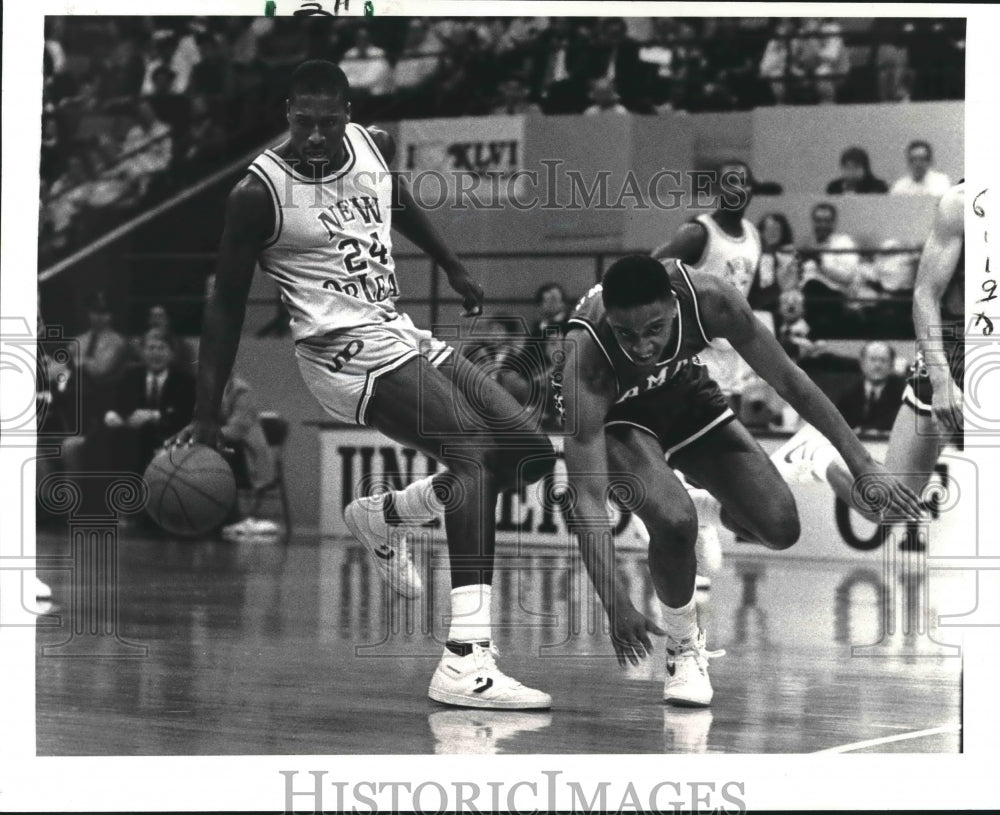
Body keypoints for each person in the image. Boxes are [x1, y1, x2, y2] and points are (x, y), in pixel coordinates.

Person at [169, 61, 556, 710]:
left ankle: (386, 516)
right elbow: (224, 306)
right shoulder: (258, 193)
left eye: (328, 123)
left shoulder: (369, 146)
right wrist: (205, 413)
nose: (316, 136)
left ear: (347, 114)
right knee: (471, 453)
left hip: (399, 331)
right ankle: (466, 659)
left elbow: (395, 198)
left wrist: (453, 265)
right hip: (341, 355)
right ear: (287, 113)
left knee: (529, 451)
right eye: (303, 122)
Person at [556, 255, 920, 706]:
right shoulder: (585, 361)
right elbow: (588, 501)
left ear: (673, 306)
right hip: (621, 419)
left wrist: (862, 460)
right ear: (609, 319)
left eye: (654, 329)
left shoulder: (710, 298)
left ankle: (725, 493)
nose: (643, 346)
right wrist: (615, 603)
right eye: (627, 334)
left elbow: (790, 379)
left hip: (683, 391)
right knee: (672, 522)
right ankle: (684, 647)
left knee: (779, 529)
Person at [775, 183, 965, 537]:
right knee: (888, 507)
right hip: (956, 350)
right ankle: (817, 453)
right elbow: (925, 293)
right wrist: (940, 380)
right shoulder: (962, 204)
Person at [98, 328, 196, 480]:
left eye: (161, 348)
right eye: (151, 348)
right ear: (142, 353)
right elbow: (116, 405)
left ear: (171, 354)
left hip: (170, 438)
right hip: (130, 438)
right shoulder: (130, 376)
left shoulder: (186, 381)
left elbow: (185, 415)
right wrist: (115, 415)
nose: (155, 353)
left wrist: (154, 415)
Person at [834, 341, 906, 433]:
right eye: (873, 360)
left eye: (883, 360)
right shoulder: (849, 393)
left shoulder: (902, 393)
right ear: (862, 364)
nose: (877, 365)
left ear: (891, 365)